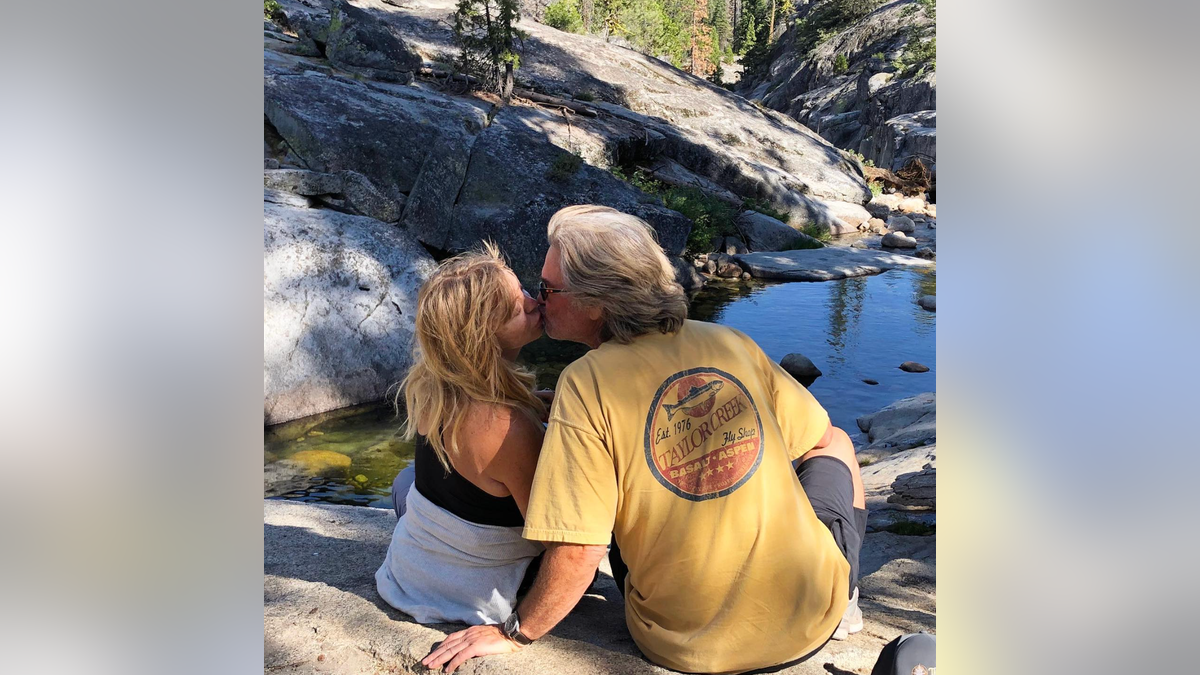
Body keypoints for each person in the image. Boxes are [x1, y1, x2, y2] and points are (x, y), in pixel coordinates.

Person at [423, 205, 869, 674]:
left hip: (681, 644)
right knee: (837, 442)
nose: (540, 300)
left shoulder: (588, 382)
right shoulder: (730, 342)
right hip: (811, 621)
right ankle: (848, 601)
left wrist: (516, 633)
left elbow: (580, 550)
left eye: (549, 289)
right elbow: (817, 437)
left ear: (596, 301)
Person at [375, 243, 550, 626]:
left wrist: (535, 404)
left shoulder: (430, 388)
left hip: (409, 572)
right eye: (518, 307)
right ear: (483, 334)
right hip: (477, 591)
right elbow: (551, 535)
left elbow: (472, 446)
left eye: (523, 289)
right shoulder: (509, 428)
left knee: (407, 479)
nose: (536, 301)